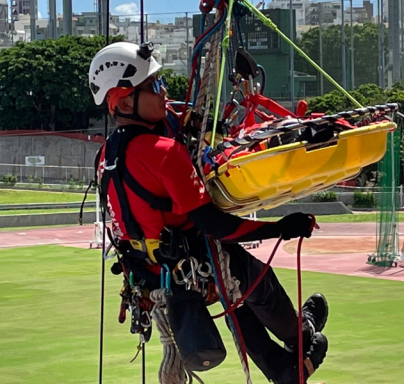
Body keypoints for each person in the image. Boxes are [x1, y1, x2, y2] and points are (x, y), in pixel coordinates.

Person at [89, 41, 329, 384]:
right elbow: (215, 224)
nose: (163, 93)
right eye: (155, 86)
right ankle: (299, 337)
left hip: (151, 274)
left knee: (236, 301)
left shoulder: (106, 156)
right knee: (254, 280)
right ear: (126, 101)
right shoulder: (165, 153)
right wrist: (282, 227)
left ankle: (282, 368)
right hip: (192, 264)